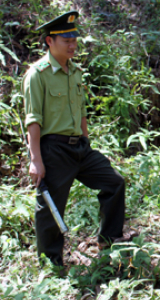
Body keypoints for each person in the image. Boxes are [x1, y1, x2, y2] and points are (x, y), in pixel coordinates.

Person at [23, 11, 129, 267]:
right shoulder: (37, 74)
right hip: (54, 149)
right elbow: (33, 120)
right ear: (50, 41)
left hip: (79, 147)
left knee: (114, 183)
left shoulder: (76, 72)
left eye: (74, 40)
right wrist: (36, 160)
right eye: (66, 40)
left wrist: (85, 140)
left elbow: (80, 110)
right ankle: (51, 263)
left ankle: (108, 240)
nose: (73, 45)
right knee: (51, 208)